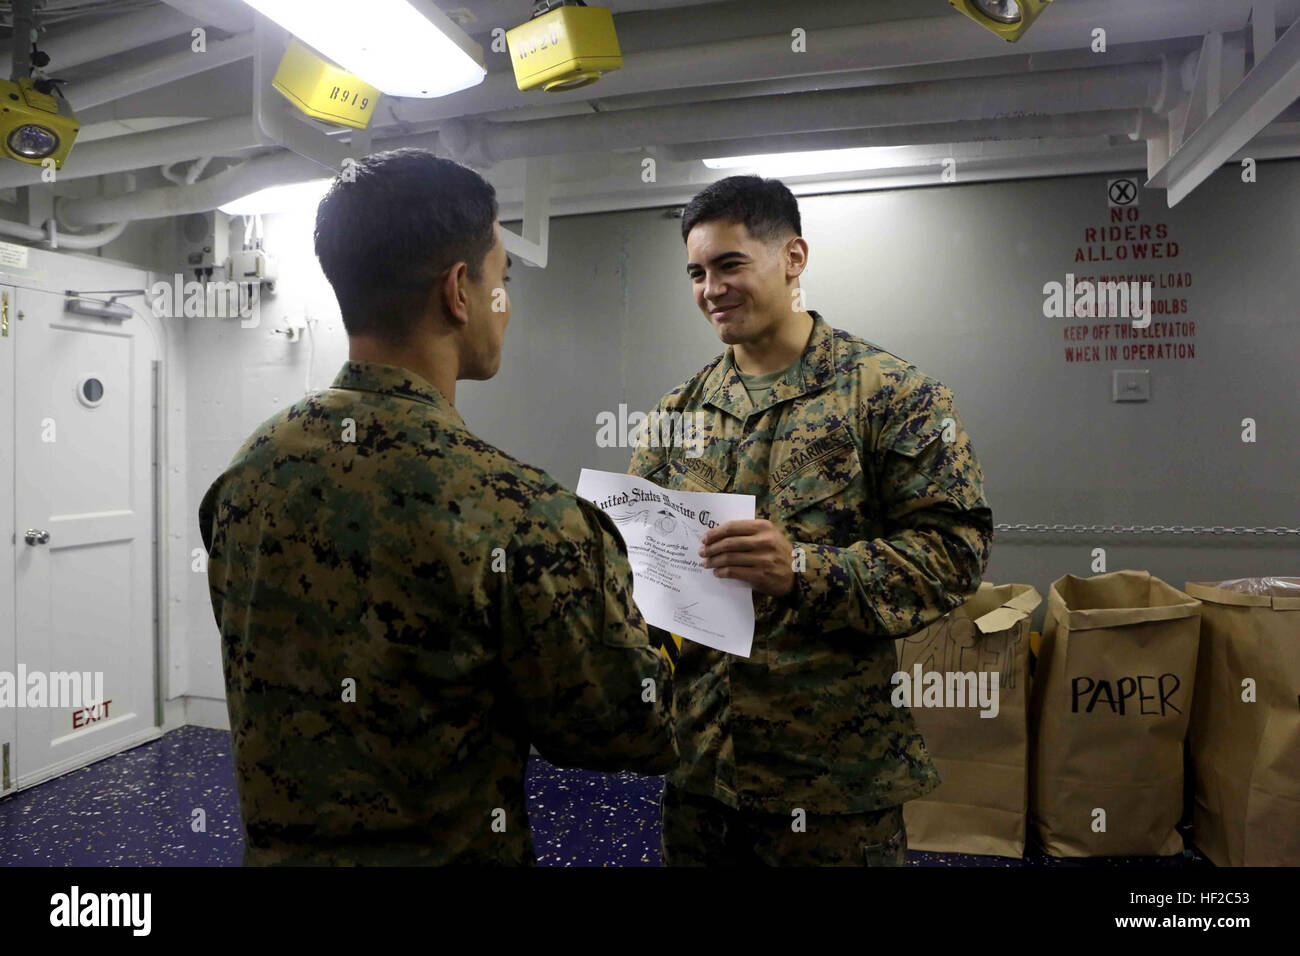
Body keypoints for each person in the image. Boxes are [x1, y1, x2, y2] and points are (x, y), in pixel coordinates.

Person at [199, 149, 676, 866]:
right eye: (502, 281)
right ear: (459, 291)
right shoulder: (522, 512)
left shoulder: (250, 470)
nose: (504, 306)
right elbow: (623, 727)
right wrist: (675, 631)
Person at [629, 175, 993, 866]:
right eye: (697, 272)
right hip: (701, 771)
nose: (711, 289)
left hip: (831, 781)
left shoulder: (892, 395)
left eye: (730, 264)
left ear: (793, 259)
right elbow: (643, 568)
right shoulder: (678, 412)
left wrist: (801, 569)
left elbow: (954, 553)